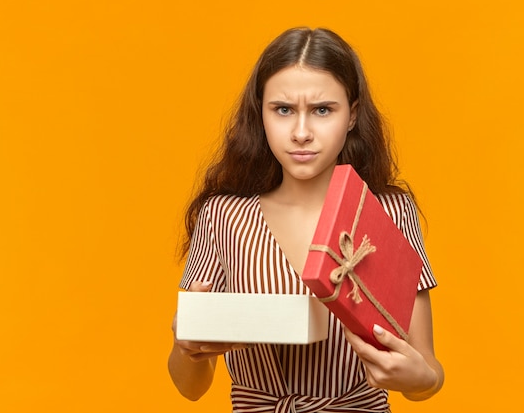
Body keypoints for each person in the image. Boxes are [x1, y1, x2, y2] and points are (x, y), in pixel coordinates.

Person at [168, 27, 444, 412]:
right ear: (259, 113)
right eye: (283, 110)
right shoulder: (222, 216)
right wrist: (188, 343)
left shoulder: (388, 212)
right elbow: (190, 388)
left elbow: (427, 371)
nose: (301, 132)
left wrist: (421, 378)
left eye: (322, 110)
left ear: (352, 116)